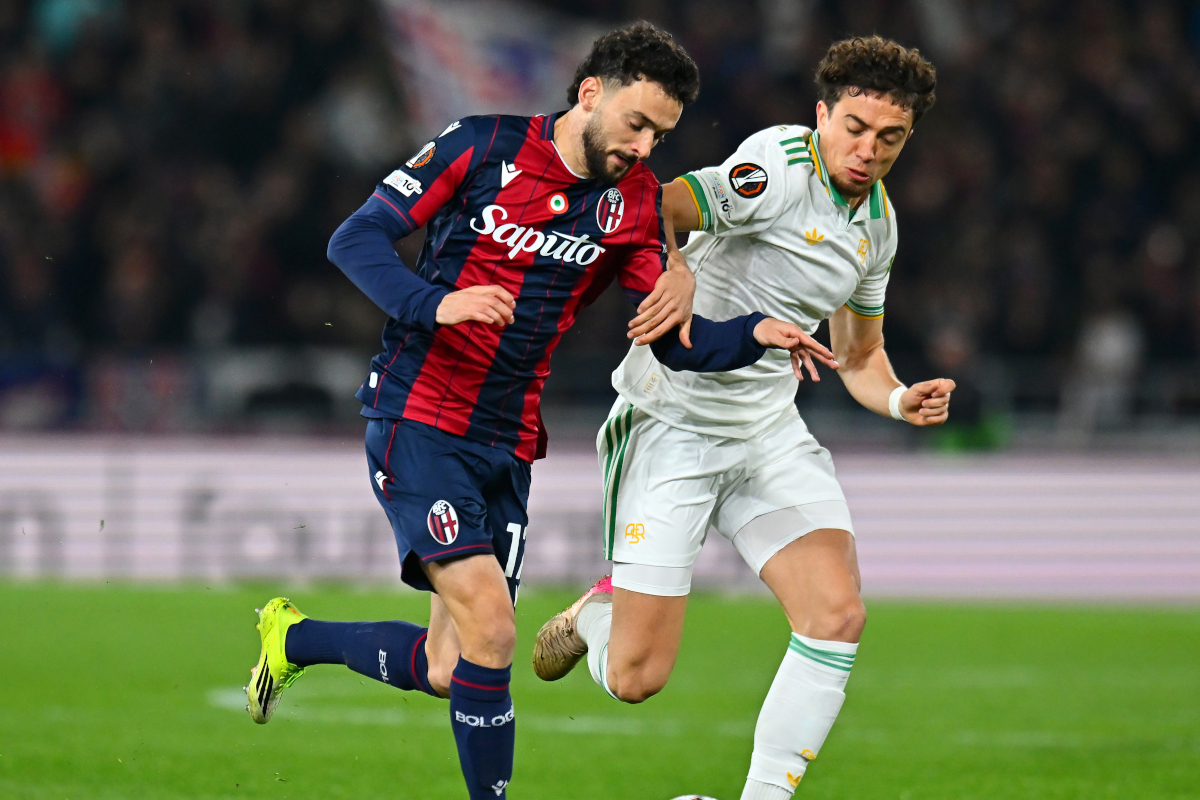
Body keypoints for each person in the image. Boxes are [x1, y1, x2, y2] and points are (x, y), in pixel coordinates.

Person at [241, 22, 822, 800]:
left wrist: (753, 333)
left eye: (662, 134)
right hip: (419, 417)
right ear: (591, 94)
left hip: (508, 441)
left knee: (455, 666)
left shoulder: (636, 204)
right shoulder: (481, 147)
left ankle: (294, 638)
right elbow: (357, 239)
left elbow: (673, 343)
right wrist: (435, 303)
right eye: (637, 123)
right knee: (495, 629)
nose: (646, 147)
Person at [533, 35, 954, 800]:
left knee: (837, 613)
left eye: (889, 138)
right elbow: (659, 204)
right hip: (673, 422)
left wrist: (898, 398)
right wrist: (681, 265)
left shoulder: (877, 227)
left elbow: (858, 356)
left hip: (766, 433)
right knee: (635, 679)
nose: (868, 150)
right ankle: (598, 617)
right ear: (821, 113)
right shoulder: (780, 169)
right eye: (854, 128)